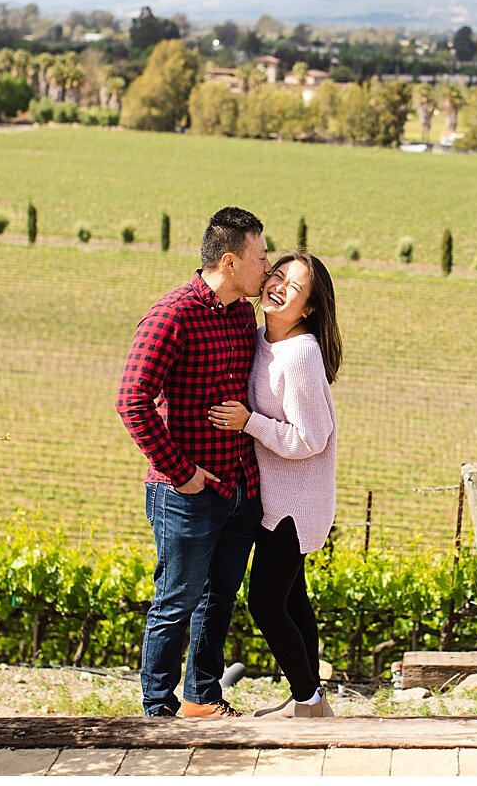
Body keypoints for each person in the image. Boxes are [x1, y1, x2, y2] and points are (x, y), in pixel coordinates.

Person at [116, 206, 270, 719]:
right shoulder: (172, 315)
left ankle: (201, 696)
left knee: (218, 599)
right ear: (230, 261)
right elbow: (132, 401)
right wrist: (181, 472)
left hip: (240, 487)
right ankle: (157, 710)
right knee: (175, 601)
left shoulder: (243, 314)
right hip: (186, 493)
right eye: (261, 256)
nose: (267, 267)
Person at [208, 251, 342, 719]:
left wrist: (250, 424)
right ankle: (312, 700)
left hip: (295, 502)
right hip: (276, 495)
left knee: (264, 602)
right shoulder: (262, 336)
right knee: (292, 597)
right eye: (278, 275)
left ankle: (307, 700)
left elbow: (310, 437)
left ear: (308, 309)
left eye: (295, 287)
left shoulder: (301, 353)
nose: (279, 286)